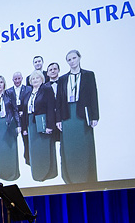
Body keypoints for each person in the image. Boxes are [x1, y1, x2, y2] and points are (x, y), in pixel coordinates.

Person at [56, 49, 99, 183]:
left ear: (79, 58)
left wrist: (95, 116)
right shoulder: (62, 79)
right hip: (67, 116)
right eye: (69, 59)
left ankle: (87, 178)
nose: (72, 61)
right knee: (69, 148)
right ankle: (71, 179)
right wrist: (58, 119)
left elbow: (93, 96)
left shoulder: (88, 75)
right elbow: (59, 100)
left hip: (82, 115)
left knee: (84, 147)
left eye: (74, 58)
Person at [26, 71, 58, 181]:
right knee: (35, 150)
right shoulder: (29, 92)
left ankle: (47, 173)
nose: (35, 80)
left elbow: (50, 108)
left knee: (44, 148)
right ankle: (38, 173)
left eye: (37, 78)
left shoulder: (46, 89)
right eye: (33, 79)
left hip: (43, 121)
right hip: (31, 123)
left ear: (42, 79)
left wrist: (50, 125)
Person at [0, 75, 20, 181]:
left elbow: (15, 110)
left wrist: (18, 125)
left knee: (11, 149)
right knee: (1, 151)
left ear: (4, 84)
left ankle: (13, 174)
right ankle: (2, 174)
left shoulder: (10, 94)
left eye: (1, 82)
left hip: (9, 125)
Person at [8, 71, 33, 165]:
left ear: (22, 78)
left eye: (19, 78)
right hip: (14, 119)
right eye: (15, 79)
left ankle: (28, 158)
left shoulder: (28, 89)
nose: (17, 81)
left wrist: (24, 111)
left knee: (26, 138)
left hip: (24, 117)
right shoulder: (9, 91)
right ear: (12, 80)